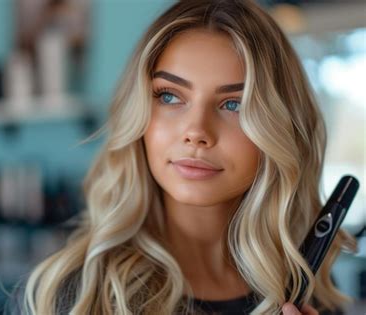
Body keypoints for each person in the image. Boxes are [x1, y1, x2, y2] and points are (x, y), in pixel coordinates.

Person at [22, 1, 355, 314]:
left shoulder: (308, 289)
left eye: (233, 104)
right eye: (169, 96)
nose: (196, 132)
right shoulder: (80, 295)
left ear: (280, 128)